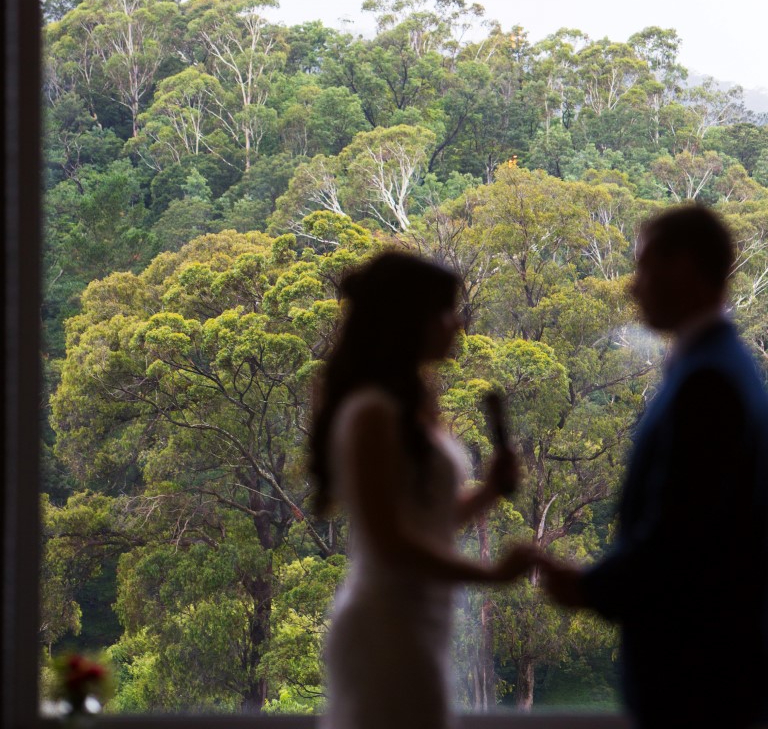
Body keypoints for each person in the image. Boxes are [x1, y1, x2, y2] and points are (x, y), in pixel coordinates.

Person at [539, 204, 768, 729]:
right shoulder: (722, 367)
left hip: (697, 680)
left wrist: (587, 588)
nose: (634, 287)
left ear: (685, 267)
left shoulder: (707, 383)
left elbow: (682, 539)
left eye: (644, 267)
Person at [309, 251, 535, 729]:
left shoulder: (410, 406)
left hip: (419, 622)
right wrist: (490, 574)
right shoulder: (370, 413)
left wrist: (490, 490)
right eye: (446, 311)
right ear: (409, 321)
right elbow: (390, 542)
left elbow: (428, 519)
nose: (458, 324)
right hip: (384, 630)